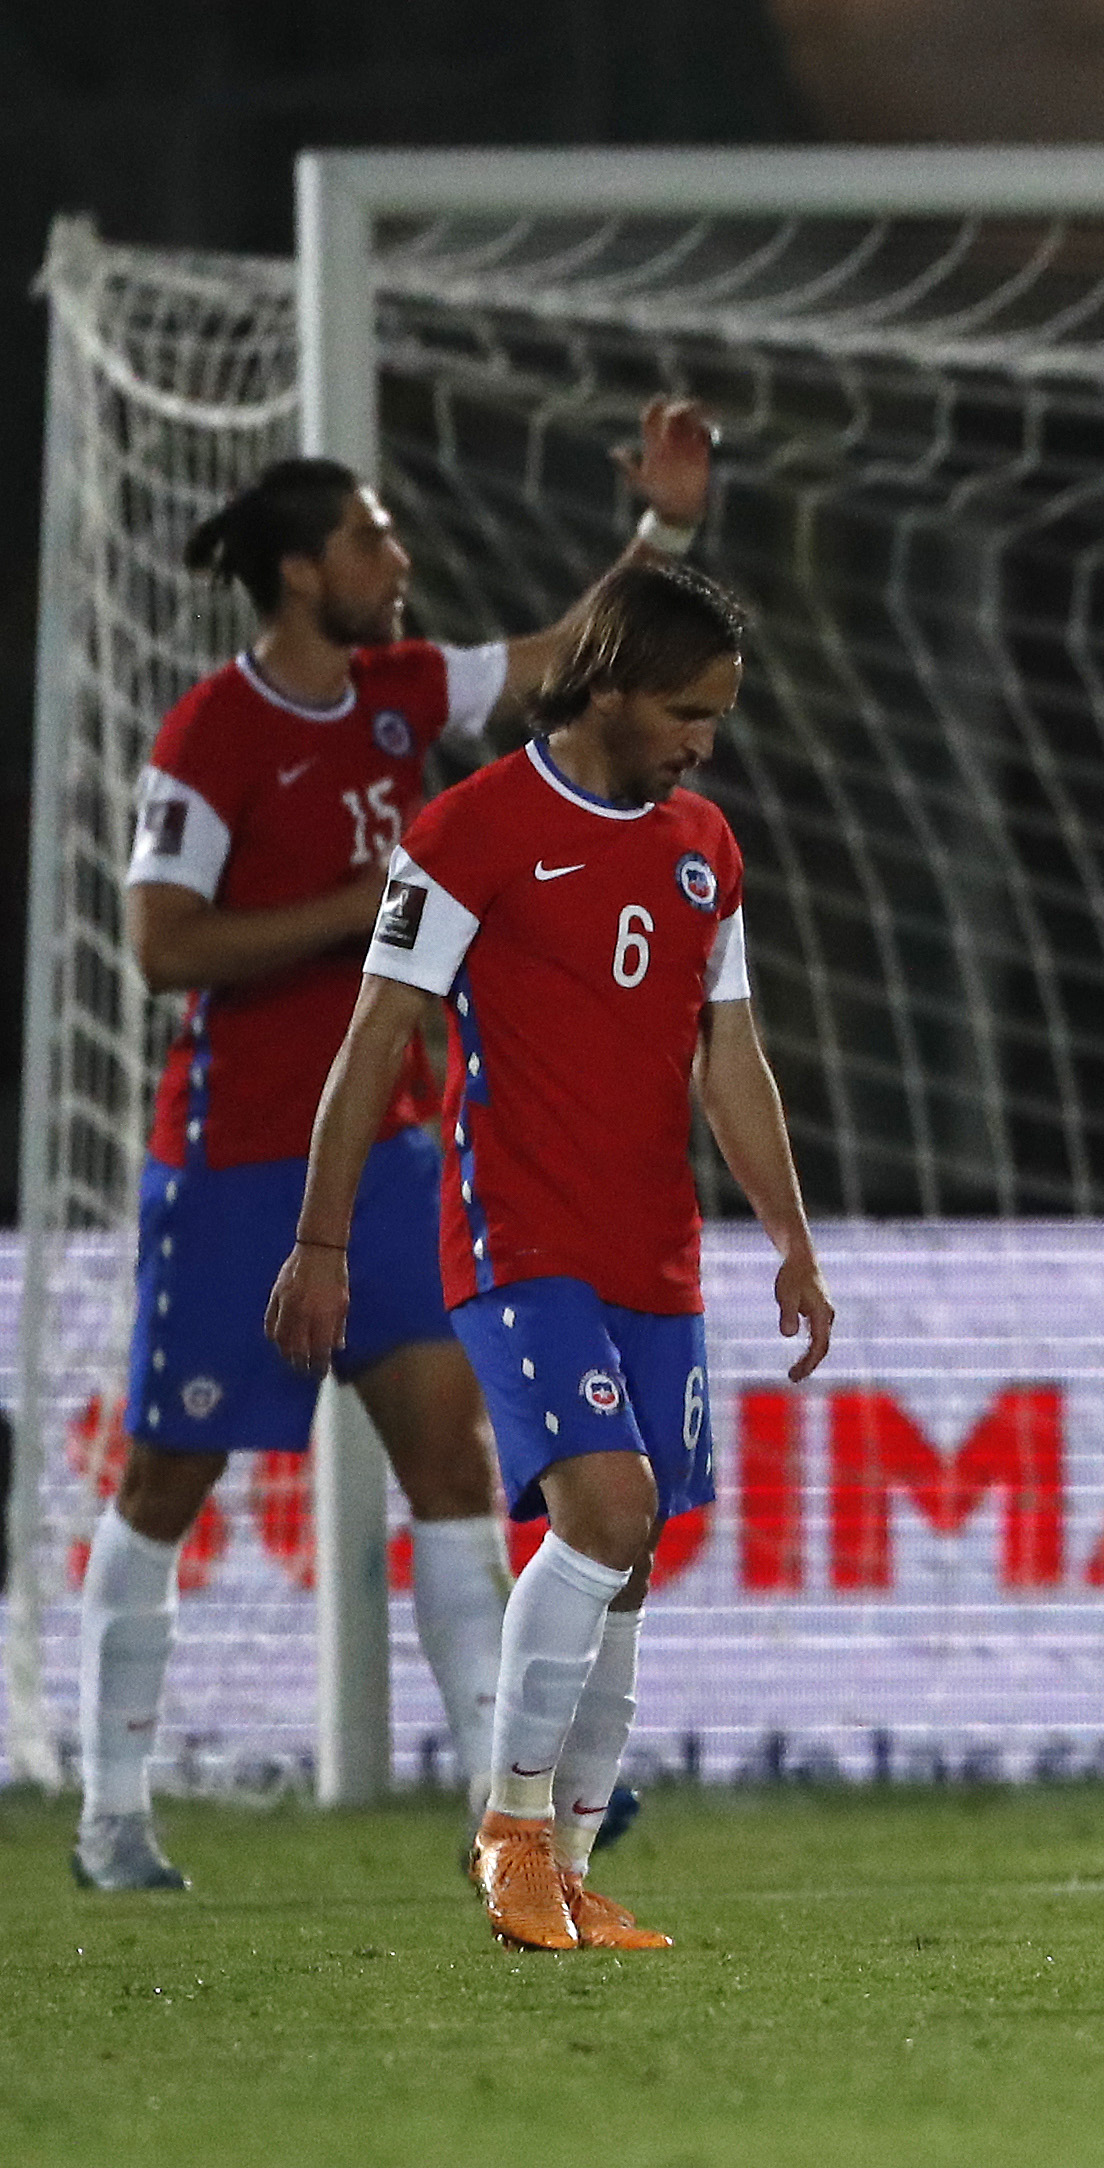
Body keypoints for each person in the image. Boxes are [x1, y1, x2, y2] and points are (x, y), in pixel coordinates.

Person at [78, 404, 718, 1893]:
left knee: (451, 1463)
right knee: (167, 1478)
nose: (398, 557)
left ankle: (503, 1801)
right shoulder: (209, 735)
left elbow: (572, 656)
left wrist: (669, 531)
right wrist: (360, 905)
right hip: (236, 1165)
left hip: (402, 1161)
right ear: (304, 572)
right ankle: (112, 1814)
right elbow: (161, 946)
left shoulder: (402, 691)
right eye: (369, 538)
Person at [268, 558, 834, 1951]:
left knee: (629, 1561)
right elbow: (376, 1038)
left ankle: (569, 1867)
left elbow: (731, 1053)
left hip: (655, 1251)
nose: (705, 743)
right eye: (690, 713)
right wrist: (322, 1241)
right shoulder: (471, 831)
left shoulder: (705, 845)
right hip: (516, 1239)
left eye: (719, 717)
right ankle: (510, 1831)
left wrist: (791, 1237)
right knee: (605, 1507)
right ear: (614, 687)